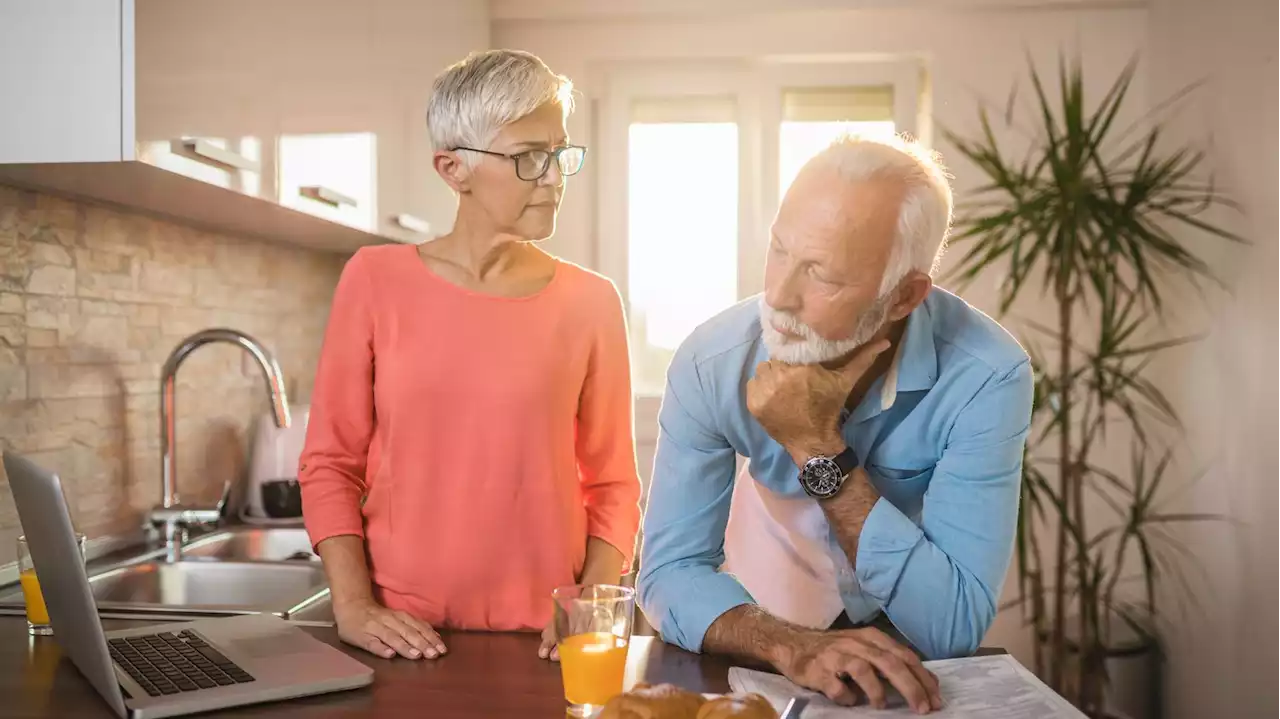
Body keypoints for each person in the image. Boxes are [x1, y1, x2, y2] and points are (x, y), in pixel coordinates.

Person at [636, 135, 1033, 714]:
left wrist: (816, 445)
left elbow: (951, 628)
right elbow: (669, 571)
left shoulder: (986, 375)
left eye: (822, 275)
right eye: (779, 250)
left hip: (905, 642)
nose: (777, 296)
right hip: (764, 627)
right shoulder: (711, 361)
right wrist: (788, 644)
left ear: (903, 297)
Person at [298, 49, 642, 663]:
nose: (554, 177)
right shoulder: (374, 281)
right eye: (529, 157)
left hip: (545, 645)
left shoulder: (591, 302)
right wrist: (351, 605)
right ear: (453, 168)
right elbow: (330, 463)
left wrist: (589, 608)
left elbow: (613, 484)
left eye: (561, 155)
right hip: (399, 638)